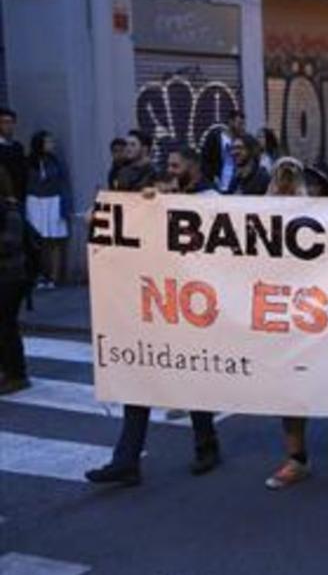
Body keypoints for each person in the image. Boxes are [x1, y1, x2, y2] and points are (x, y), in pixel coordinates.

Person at [86, 145, 222, 487]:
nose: (171, 171)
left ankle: (207, 446)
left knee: (192, 379)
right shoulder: (160, 201)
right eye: (169, 167)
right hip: (155, 305)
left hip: (189, 306)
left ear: (193, 166)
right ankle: (126, 460)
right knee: (139, 377)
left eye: (177, 166)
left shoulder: (211, 200)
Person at [263, 157, 328, 489]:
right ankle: (297, 458)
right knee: (288, 387)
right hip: (279, 308)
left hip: (324, 308)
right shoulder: (262, 211)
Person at [24, 131, 72, 287]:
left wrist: (65, 206)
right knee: (38, 240)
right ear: (40, 144)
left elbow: (63, 183)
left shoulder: (56, 161)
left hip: (53, 200)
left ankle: (54, 277)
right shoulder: (29, 162)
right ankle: (40, 274)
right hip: (35, 201)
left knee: (55, 239)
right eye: (48, 142)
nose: (52, 145)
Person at [0, 169, 32, 395]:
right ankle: (8, 370)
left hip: (10, 276)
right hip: (8, 274)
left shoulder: (9, 209)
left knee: (6, 325)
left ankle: (16, 374)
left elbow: (10, 243)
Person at [200, 109, 246, 193]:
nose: (241, 127)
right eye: (239, 124)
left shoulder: (241, 141)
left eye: (243, 124)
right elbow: (205, 161)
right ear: (230, 122)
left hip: (232, 185)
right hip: (216, 183)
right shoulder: (214, 138)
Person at [0, 108, 27, 203]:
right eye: (5, 122)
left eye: (12, 122)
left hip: (20, 194)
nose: (9, 126)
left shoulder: (18, 146)